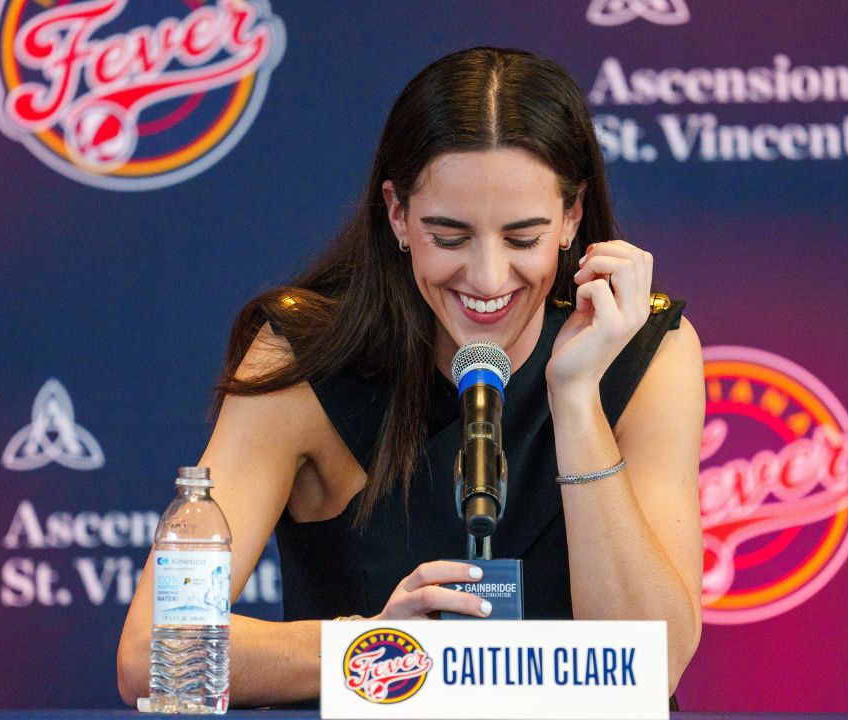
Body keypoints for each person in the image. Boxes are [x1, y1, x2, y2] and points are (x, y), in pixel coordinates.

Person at [117, 46, 704, 708]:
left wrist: (574, 399)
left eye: (522, 239)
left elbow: (651, 670)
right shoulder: (304, 359)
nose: (486, 278)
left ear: (572, 217)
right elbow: (156, 652)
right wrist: (377, 648)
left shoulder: (648, 353)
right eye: (449, 236)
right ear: (397, 214)